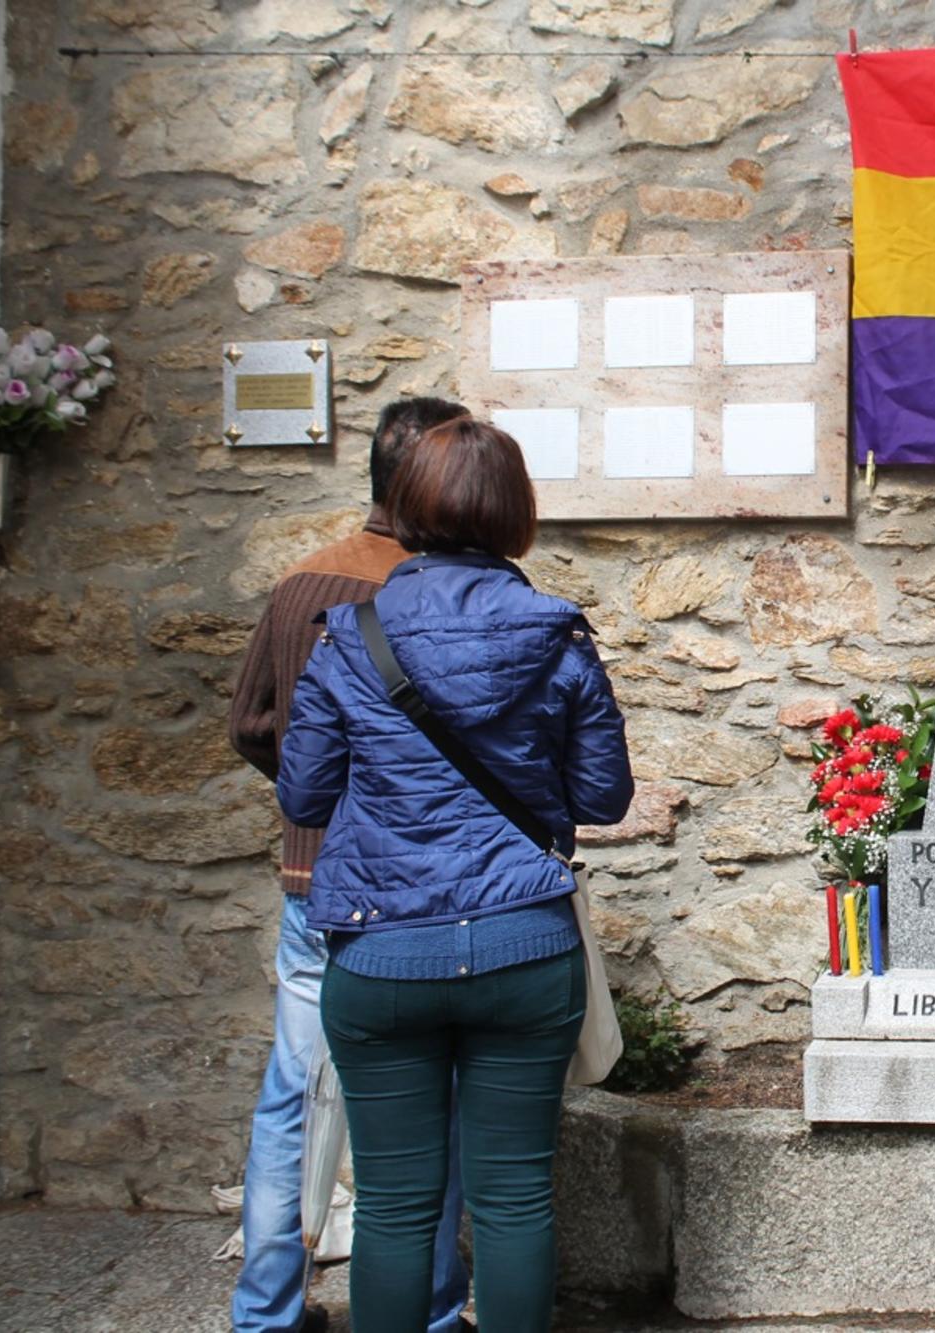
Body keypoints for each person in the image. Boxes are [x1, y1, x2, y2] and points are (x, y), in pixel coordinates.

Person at [278, 416, 633, 1333]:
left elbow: (306, 795)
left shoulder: (348, 636)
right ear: (518, 514)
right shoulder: (560, 637)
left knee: (396, 1207)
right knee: (514, 1200)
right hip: (524, 944)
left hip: (384, 949)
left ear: (403, 506)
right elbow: (602, 796)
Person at [227, 396, 472, 1333]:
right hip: (415, 888)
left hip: (310, 874)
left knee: (292, 1095)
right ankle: (433, 1309)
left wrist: (313, 796)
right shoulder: (439, 589)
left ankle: (266, 1311)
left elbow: (250, 724)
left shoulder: (303, 582)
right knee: (430, 1099)